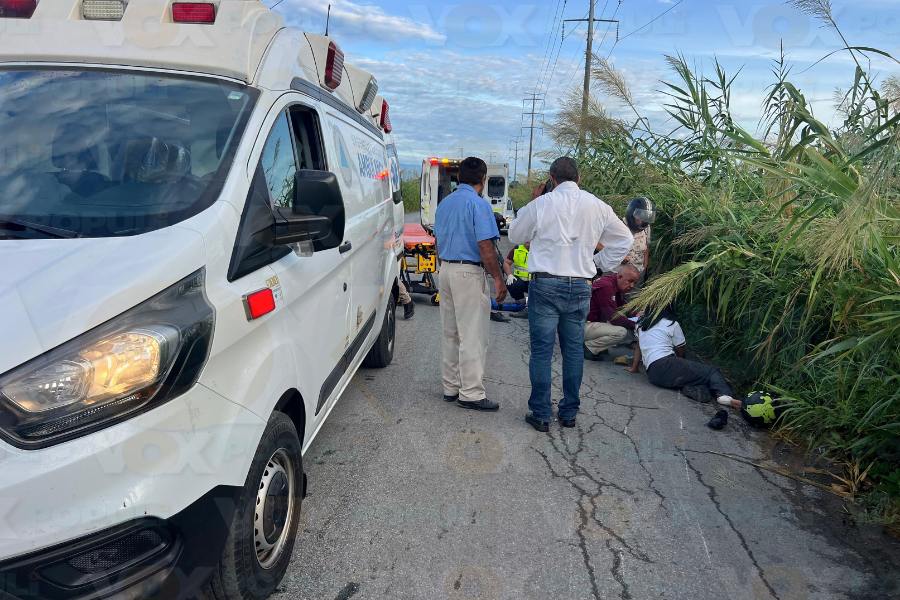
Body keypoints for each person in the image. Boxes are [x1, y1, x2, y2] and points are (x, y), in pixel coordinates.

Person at [508, 157, 633, 432]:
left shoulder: (541, 204)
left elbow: (515, 235)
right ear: (579, 177)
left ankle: (541, 413)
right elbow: (625, 238)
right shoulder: (597, 206)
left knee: (542, 351)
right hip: (580, 285)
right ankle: (569, 413)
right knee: (573, 350)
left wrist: (536, 203)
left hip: (546, 284)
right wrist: (599, 265)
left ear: (552, 178)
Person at [434, 157, 508, 412]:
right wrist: (498, 278)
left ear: (459, 178)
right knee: (472, 335)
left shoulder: (444, 204)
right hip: (468, 272)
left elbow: (437, 239)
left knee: (451, 332)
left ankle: (450, 387)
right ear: (484, 179)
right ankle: (472, 393)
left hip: (446, 269)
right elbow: (485, 246)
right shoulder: (479, 205)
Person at [627, 306, 740, 408]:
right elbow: (681, 349)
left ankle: (693, 388)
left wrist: (634, 368)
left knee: (692, 375)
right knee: (711, 371)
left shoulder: (640, 324)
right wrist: (682, 362)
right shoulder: (671, 324)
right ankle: (725, 396)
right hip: (667, 364)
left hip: (653, 375)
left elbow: (638, 347)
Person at [584, 265, 640, 360]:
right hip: (581, 326)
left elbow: (623, 308)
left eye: (635, 282)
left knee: (626, 325)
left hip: (588, 324)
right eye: (630, 281)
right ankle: (589, 347)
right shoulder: (607, 286)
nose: (632, 286)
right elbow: (614, 318)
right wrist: (637, 324)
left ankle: (594, 345)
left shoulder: (615, 284)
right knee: (621, 332)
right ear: (619, 276)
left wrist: (637, 315)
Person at [502, 242, 530, 318]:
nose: (527, 241)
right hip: (521, 280)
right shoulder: (517, 248)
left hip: (535, 282)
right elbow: (507, 263)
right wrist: (509, 275)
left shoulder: (540, 249)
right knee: (511, 284)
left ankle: (529, 305)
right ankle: (520, 304)